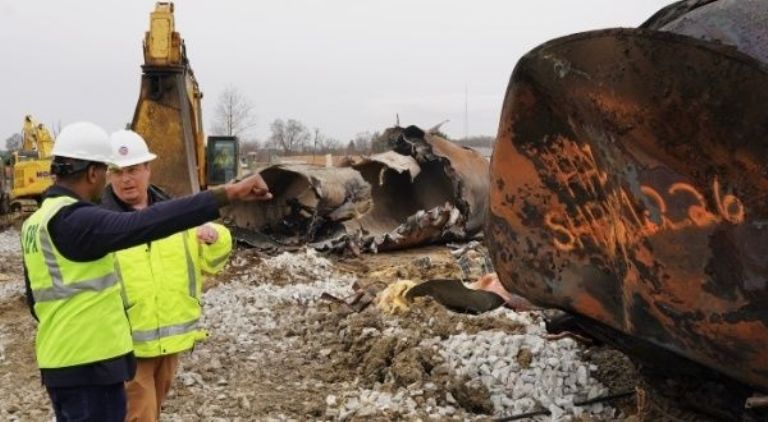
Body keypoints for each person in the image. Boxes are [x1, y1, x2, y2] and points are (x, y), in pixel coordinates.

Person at [20, 121, 271, 422]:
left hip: (64, 361)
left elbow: (35, 301)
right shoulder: (78, 220)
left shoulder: (37, 221)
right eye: (110, 172)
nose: (120, 180)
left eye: (133, 170)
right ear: (93, 173)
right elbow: (141, 224)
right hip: (91, 364)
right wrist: (227, 194)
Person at [100, 130, 231, 421]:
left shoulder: (173, 214)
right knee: (139, 414)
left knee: (153, 408)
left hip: (169, 339)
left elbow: (212, 262)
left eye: (133, 170)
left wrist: (216, 237)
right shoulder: (102, 223)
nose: (126, 179)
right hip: (125, 346)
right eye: (117, 172)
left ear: (148, 169)